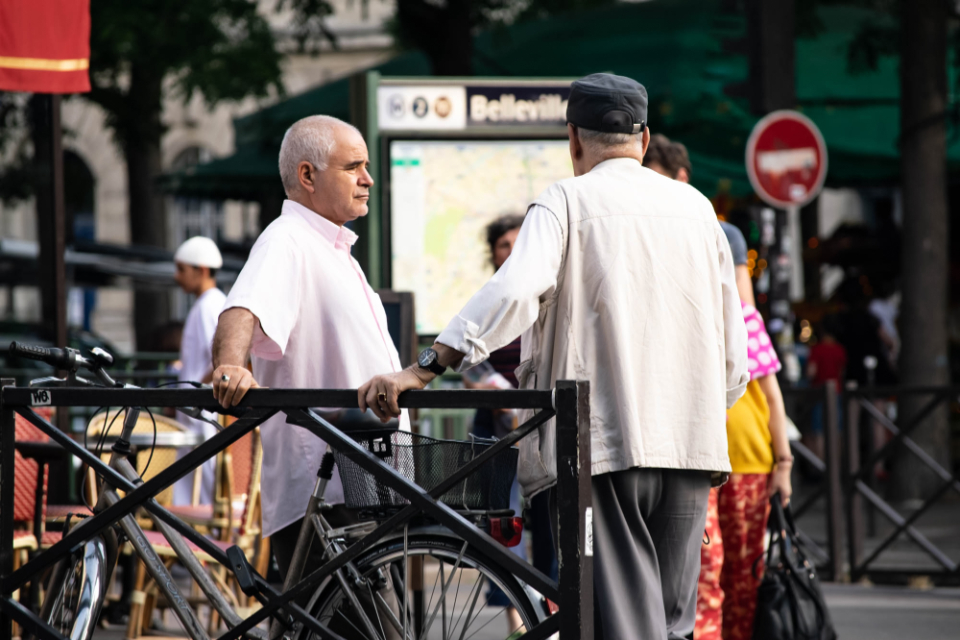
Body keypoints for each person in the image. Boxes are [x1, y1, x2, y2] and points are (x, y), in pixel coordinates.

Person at [359, 73, 749, 640]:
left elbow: (514, 291)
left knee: (614, 622)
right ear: (643, 141)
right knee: (672, 626)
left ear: (573, 139)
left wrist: (425, 366)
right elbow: (732, 356)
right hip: (691, 450)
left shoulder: (566, 199)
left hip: (606, 450)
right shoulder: (698, 210)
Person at [208, 115, 410, 582]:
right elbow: (240, 310)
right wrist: (230, 369)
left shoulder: (330, 249)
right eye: (353, 166)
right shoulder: (287, 241)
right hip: (328, 493)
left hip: (356, 484)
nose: (368, 179)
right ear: (307, 176)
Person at [646, 134, 794, 640]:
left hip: (749, 460)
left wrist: (784, 464)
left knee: (743, 576)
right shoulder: (674, 318)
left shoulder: (745, 319)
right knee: (705, 571)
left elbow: (771, 395)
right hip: (699, 458)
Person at [466, 213, 559, 637]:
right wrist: (504, 396)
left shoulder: (551, 293)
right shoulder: (489, 297)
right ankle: (519, 626)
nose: (511, 250)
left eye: (517, 243)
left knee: (552, 529)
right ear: (494, 252)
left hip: (546, 426)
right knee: (503, 531)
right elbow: (470, 356)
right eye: (503, 244)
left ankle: (554, 620)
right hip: (496, 428)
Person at [171, 236, 226, 506]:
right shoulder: (209, 304)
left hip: (201, 416)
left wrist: (197, 389)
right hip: (197, 415)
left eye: (182, 269)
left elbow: (221, 361)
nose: (176, 276)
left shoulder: (209, 306)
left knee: (202, 498)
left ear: (201, 270)